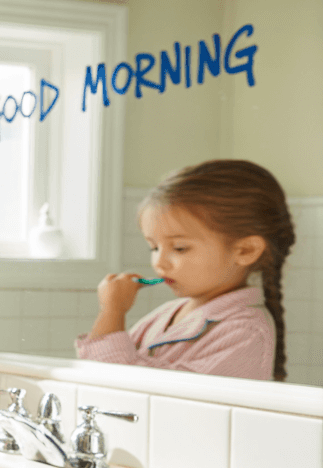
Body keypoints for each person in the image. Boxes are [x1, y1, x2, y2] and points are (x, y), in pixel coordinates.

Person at [78, 159, 293, 382]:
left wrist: (112, 312)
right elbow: (94, 379)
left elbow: (126, 385)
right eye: (154, 247)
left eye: (180, 248)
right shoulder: (165, 315)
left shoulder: (246, 332)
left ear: (246, 250)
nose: (159, 263)